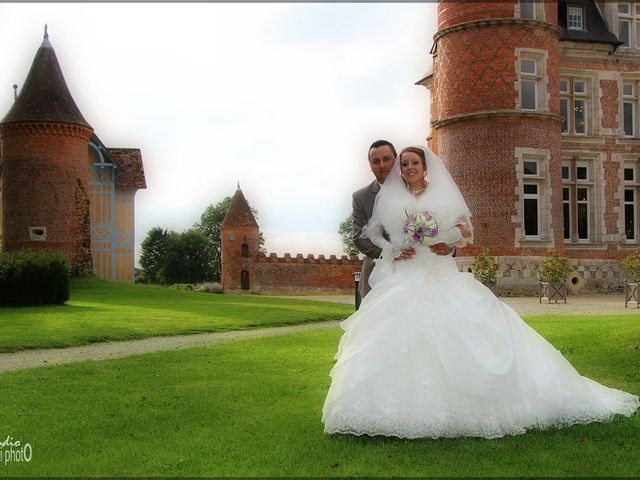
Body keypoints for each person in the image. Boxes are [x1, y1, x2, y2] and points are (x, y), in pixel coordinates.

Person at [322, 144, 639, 439]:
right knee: (392, 337)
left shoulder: (442, 195)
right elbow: (371, 233)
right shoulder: (391, 199)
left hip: (439, 269)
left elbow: (465, 230)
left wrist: (446, 240)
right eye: (404, 164)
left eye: (412, 162)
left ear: (424, 166)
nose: (407, 167)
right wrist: (392, 251)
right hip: (404, 274)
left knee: (462, 330)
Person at [352, 140, 452, 298]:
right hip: (379, 274)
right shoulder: (360, 197)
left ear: (396, 160)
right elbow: (359, 238)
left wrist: (449, 246)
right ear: (370, 165)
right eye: (376, 161)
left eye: (386, 159)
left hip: (425, 270)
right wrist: (391, 254)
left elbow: (444, 221)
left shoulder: (417, 186)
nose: (382, 165)